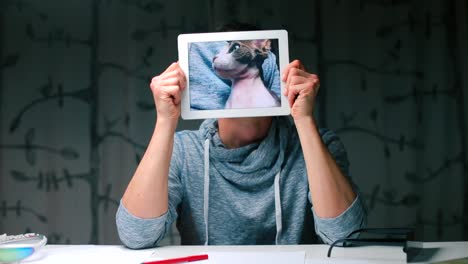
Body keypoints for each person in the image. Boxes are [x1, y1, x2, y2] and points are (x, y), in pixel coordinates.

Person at [116, 26, 367, 249]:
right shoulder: (184, 150)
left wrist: (304, 120)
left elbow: (344, 235)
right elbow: (136, 236)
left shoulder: (319, 144)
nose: (216, 57)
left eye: (231, 49)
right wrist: (165, 121)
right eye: (217, 52)